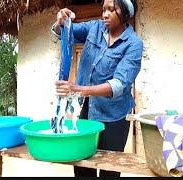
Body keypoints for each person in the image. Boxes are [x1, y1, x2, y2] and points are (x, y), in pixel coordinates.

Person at [51, 0, 143, 177]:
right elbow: (64, 32)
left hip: (114, 117)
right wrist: (61, 21)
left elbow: (119, 85)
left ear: (125, 13)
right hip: (85, 110)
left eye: (111, 10)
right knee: (82, 164)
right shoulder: (95, 28)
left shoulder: (133, 44)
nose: (105, 14)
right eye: (104, 9)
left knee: (110, 170)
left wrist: (79, 89)